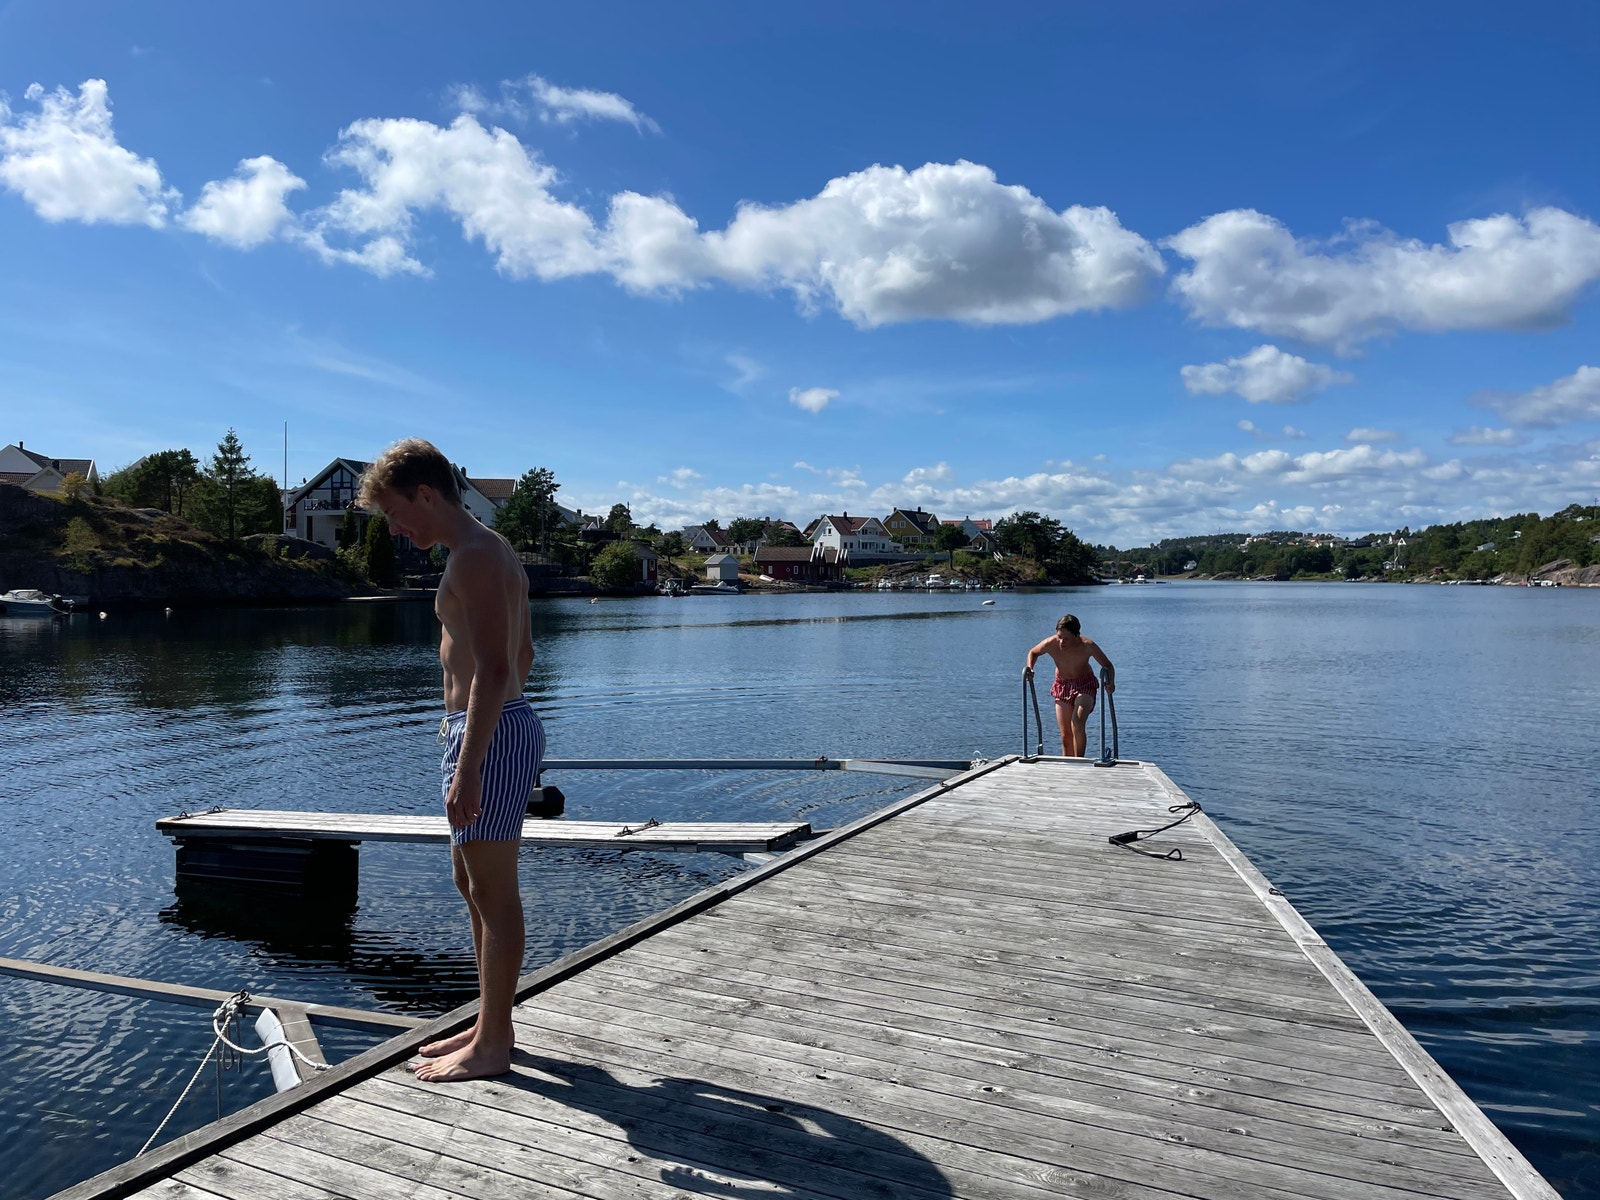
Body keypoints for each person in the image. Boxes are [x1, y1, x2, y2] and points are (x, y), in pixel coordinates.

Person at [358, 439, 543, 1083]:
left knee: (494, 892)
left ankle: (493, 1045)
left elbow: (496, 669)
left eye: (395, 513)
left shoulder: (474, 559)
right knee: (473, 885)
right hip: (484, 729)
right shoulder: (491, 551)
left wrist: (472, 761)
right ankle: (491, 1021)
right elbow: (524, 655)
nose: (396, 528)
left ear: (426, 494)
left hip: (486, 735)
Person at [1024, 614, 1114, 757]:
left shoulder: (1087, 645)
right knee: (1066, 736)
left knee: (1077, 723)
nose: (1061, 642)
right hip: (1062, 685)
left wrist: (1111, 683)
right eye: (1059, 637)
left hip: (1084, 685)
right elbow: (1033, 652)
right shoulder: (1051, 643)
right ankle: (1068, 766)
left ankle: (1080, 761)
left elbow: (1107, 665)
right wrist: (1030, 668)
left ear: (1077, 635)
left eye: (1066, 639)